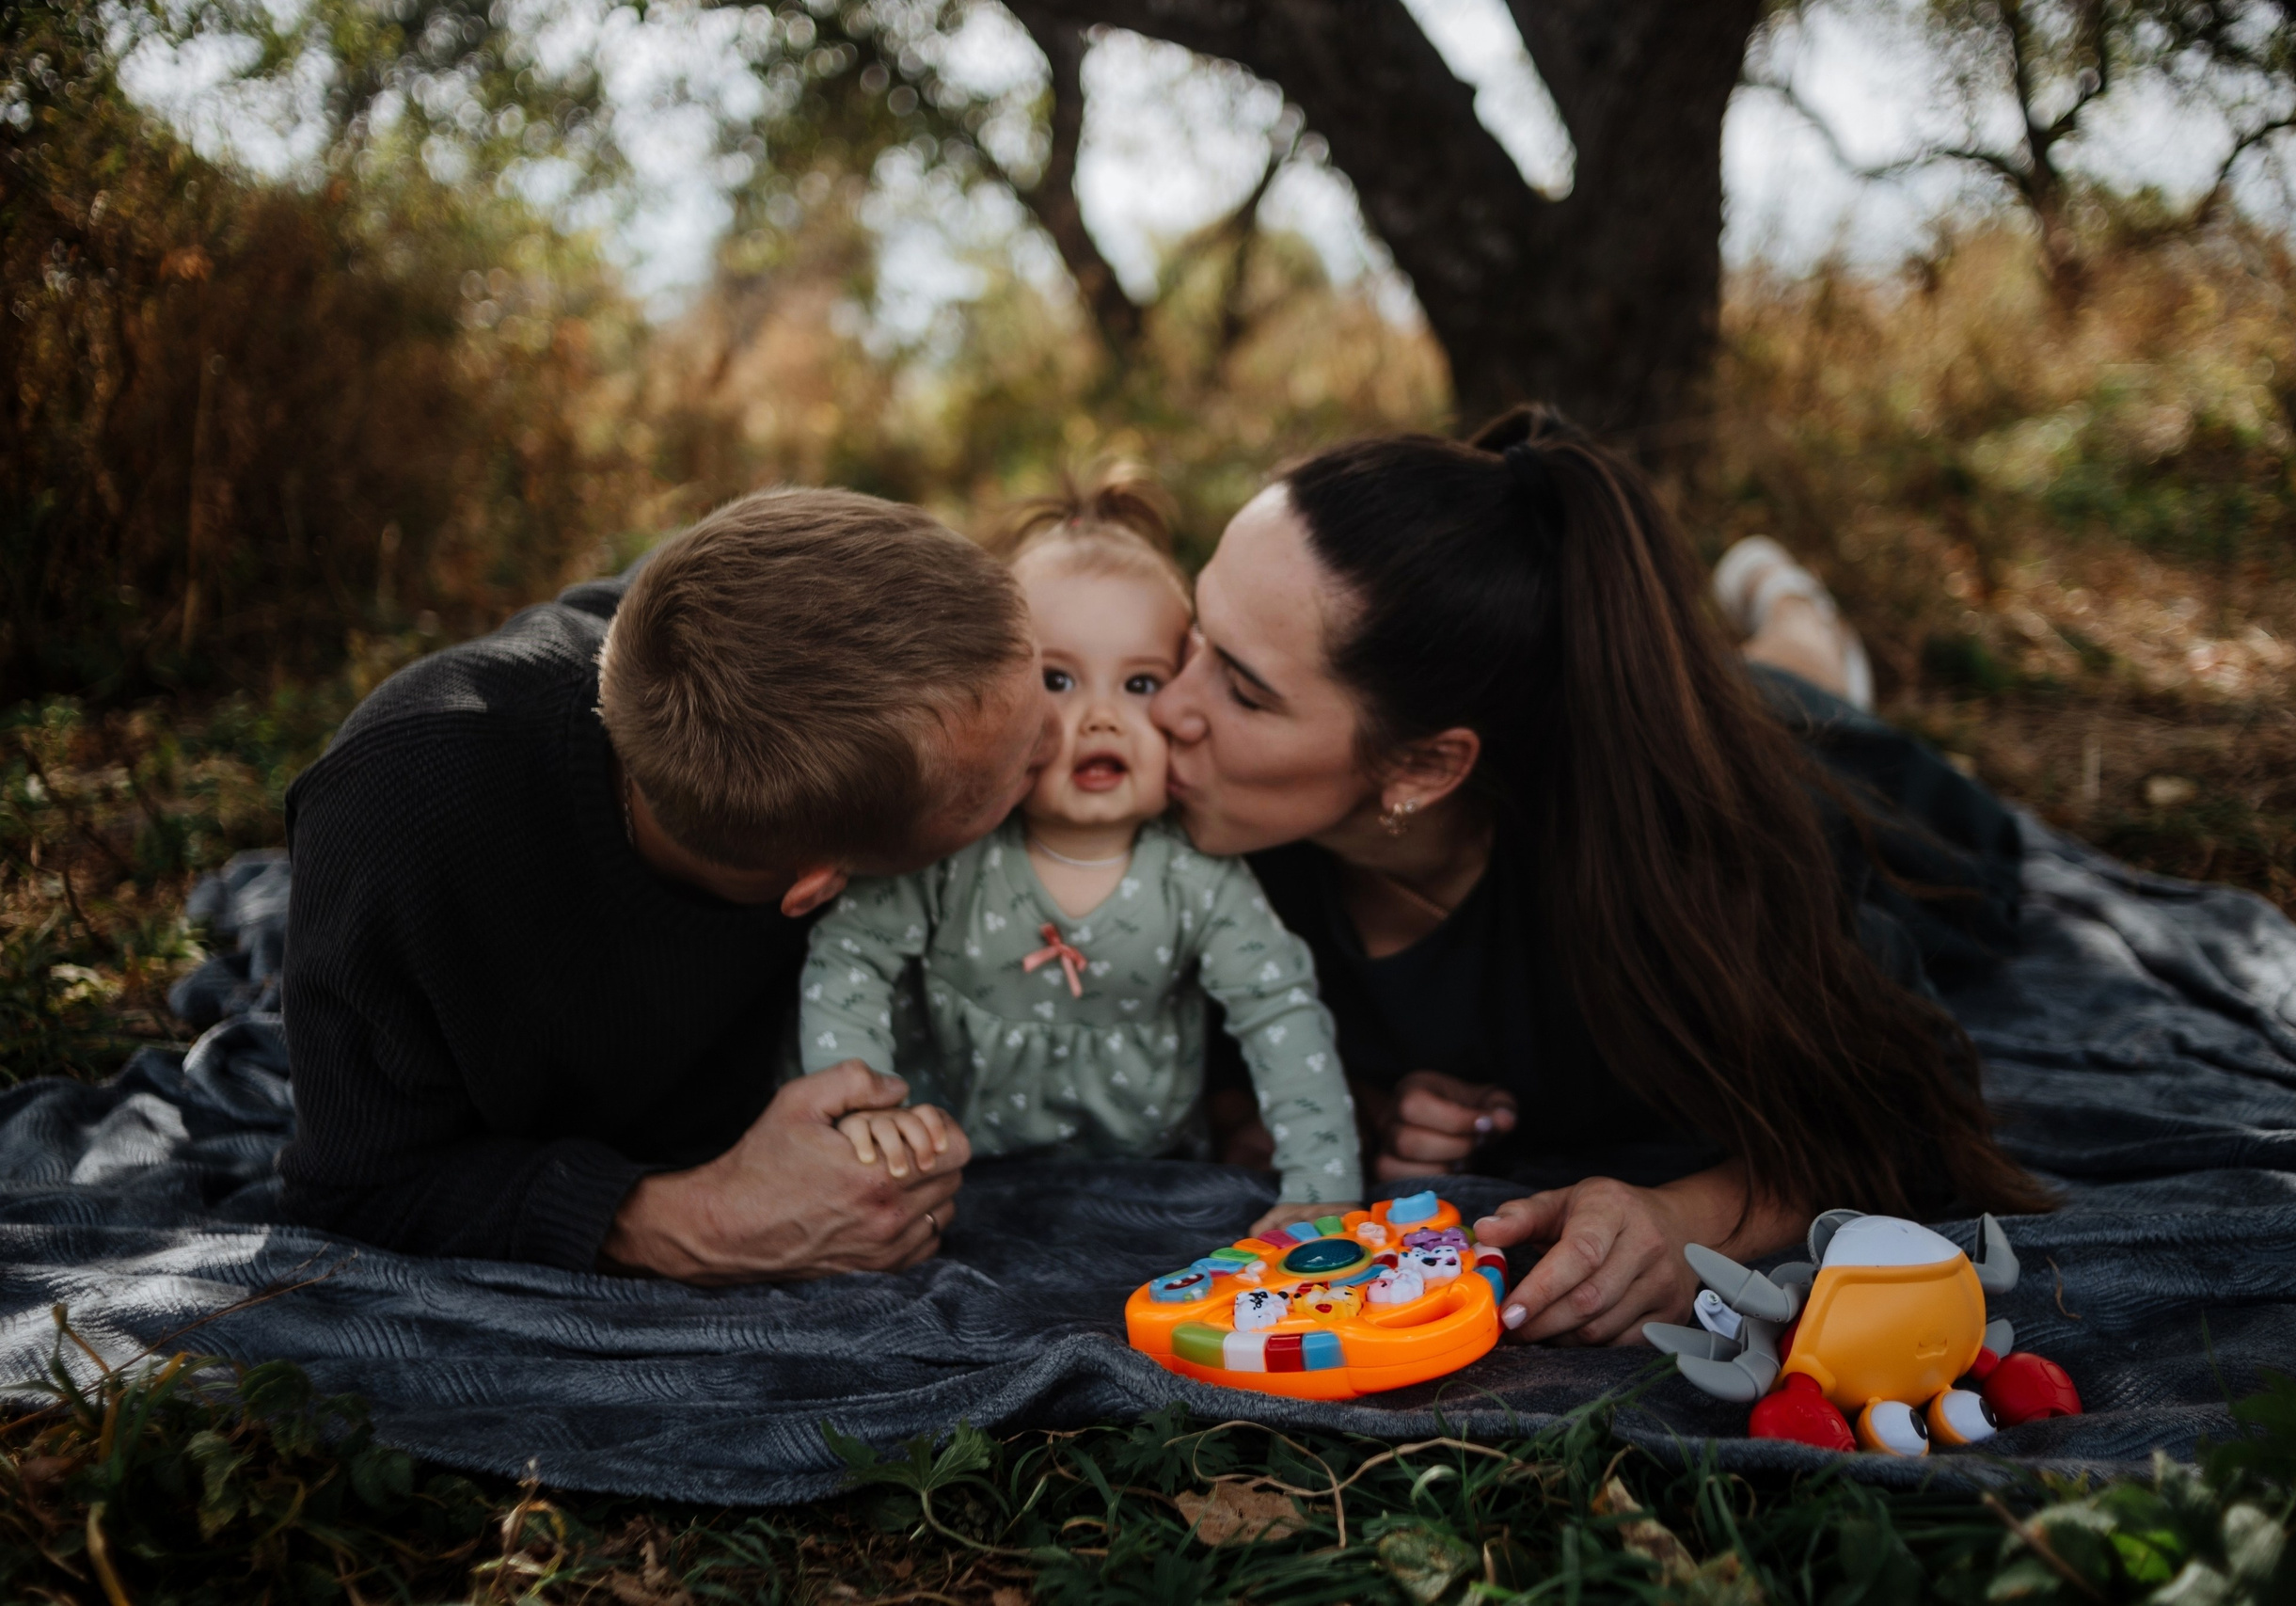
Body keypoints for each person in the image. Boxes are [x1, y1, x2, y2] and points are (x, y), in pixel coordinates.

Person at [1156, 405, 2053, 1348]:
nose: (1167, 706)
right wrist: (1352, 1101)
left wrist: (1691, 1218)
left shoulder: (1677, 876)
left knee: (1789, 692)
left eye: (1241, 687)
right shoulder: (1212, 811)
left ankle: (1793, 604)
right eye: (1192, 634)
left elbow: (1913, 1102)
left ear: (1420, 769)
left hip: (1830, 776)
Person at [278, 487, 1059, 1281]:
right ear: (819, 885)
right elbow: (358, 1185)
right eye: (1023, 765)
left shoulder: (821, 663)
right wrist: (691, 1221)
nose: (1068, 737)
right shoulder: (393, 824)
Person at [796, 474, 1361, 1235]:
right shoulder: (953, 854)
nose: (1100, 717)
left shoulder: (1198, 880)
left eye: (1139, 682)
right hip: (957, 1177)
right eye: (1057, 680)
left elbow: (1281, 1011)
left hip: (1149, 1181)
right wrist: (863, 1108)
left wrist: (1323, 1183)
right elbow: (850, 958)